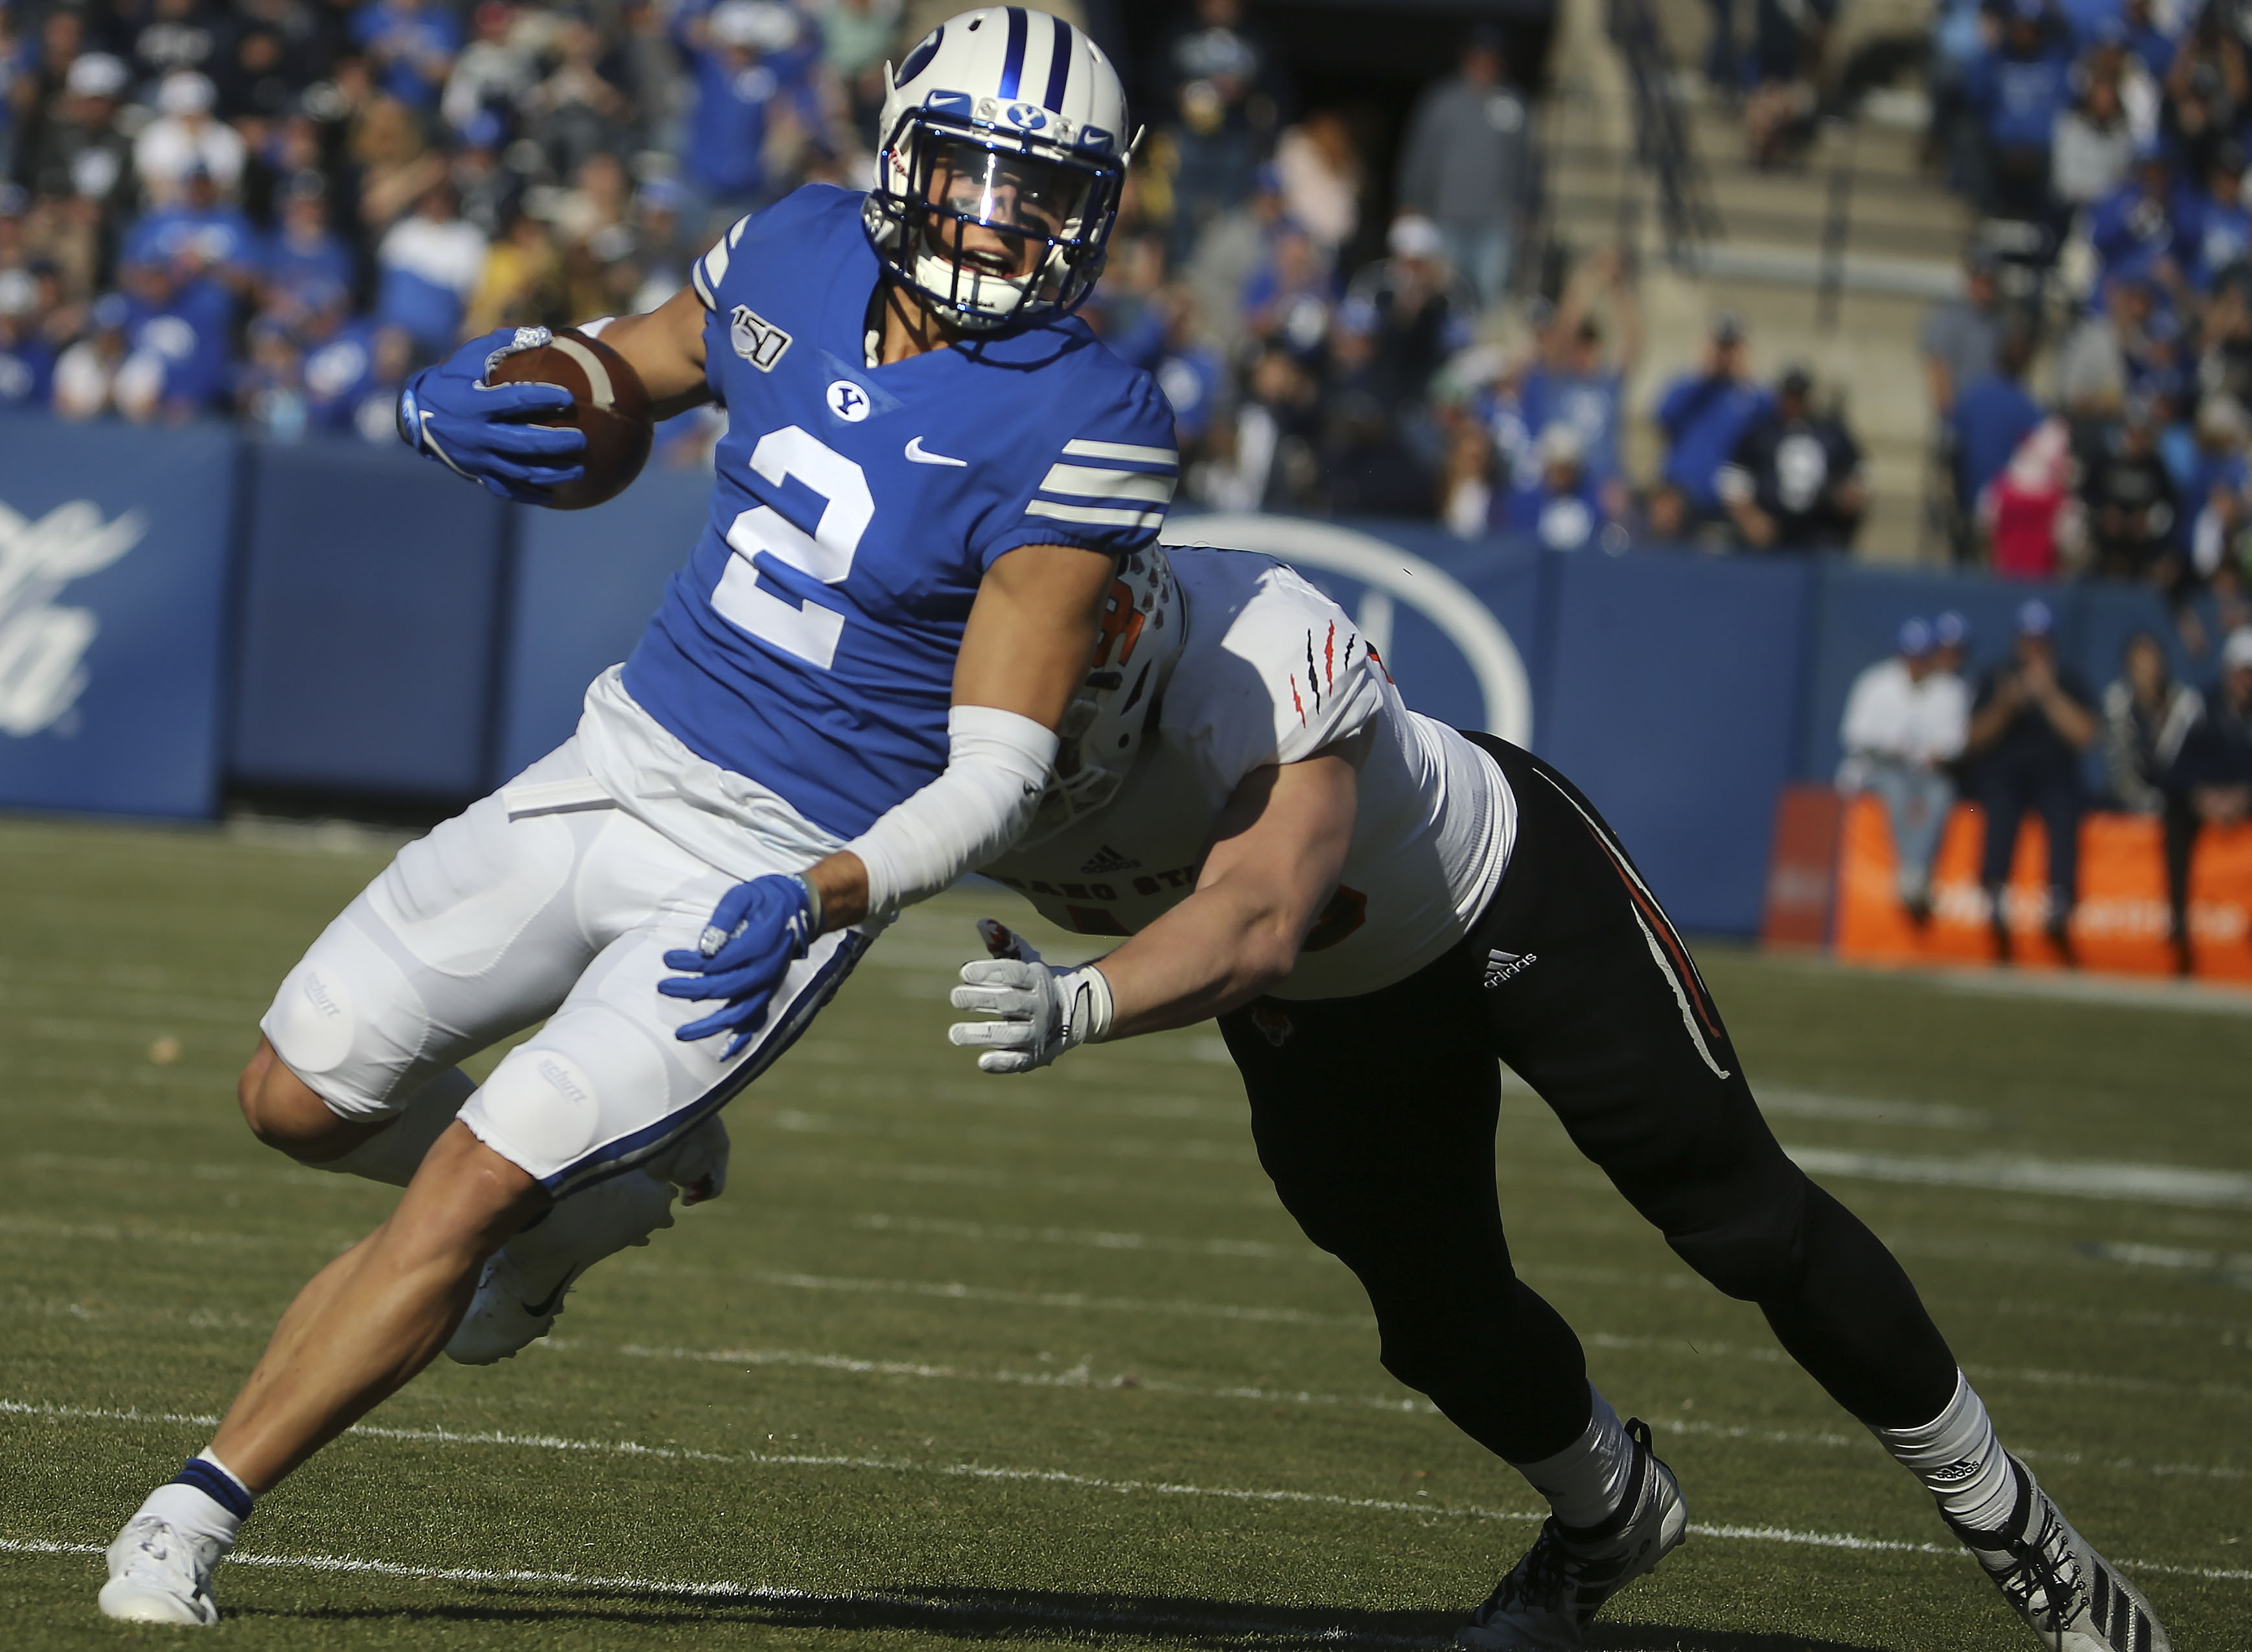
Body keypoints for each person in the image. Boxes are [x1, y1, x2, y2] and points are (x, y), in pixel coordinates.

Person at [93, 10, 1178, 1625]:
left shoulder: (1081, 414)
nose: (1003, 225)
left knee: (462, 1189)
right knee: (294, 1095)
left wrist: (821, 897)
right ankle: (603, 1189)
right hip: (618, 754)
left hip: (769, 863)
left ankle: (191, 1512)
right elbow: (633, 366)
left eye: (1047, 196)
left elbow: (997, 775)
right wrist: (489, 395)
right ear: (899, 154)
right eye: (973, 176)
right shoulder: (799, 247)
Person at [935, 542, 2168, 1652]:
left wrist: (1080, 1002)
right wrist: (728, 1078)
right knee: (1432, 1315)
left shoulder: (1250, 652)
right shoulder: (925, 732)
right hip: (1323, 1009)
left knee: (1742, 1217)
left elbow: (1257, 922)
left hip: (1498, 903)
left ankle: (2022, 1532)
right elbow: (803, 880)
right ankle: (1608, 1516)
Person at [1963, 598, 2099, 963]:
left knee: (2063, 805)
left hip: (2054, 776)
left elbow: (2086, 735)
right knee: (1999, 807)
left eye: (2041, 641)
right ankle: (1993, 893)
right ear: (2016, 641)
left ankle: (2059, 899)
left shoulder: (2068, 680)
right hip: (2003, 775)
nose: (2033, 648)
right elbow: (1971, 738)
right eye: (2028, 640)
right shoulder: (1996, 677)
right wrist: (2007, 705)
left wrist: (2049, 695)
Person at [1839, 618, 1970, 923]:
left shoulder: (1948, 689)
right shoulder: (1875, 682)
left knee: (1941, 793)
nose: (1915, 664)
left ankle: (1914, 873)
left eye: (1921, 657)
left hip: (1926, 774)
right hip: (1876, 768)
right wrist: (1892, 747)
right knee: (1895, 790)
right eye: (1910, 656)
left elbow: (1955, 743)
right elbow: (1854, 735)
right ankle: (1912, 873)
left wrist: (1933, 754)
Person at [1394, 23, 1533, 310]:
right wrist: (1411, 201)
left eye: (1491, 56)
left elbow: (1526, 161)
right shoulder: (1442, 100)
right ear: (1467, 57)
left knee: (1491, 292)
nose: (1484, 62)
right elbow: (1421, 154)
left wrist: (1524, 206)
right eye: (1478, 55)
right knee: (1445, 292)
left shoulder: (1513, 103)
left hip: (1495, 220)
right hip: (1446, 216)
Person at [2102, 629, 2203, 972]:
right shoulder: (2118, 702)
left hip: (2174, 802)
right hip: (2133, 800)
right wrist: (2145, 804)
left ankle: (2178, 924)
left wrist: (2160, 726)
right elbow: (2120, 770)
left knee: (2180, 818)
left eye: (2151, 663)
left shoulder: (2184, 705)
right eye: (2138, 665)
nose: (2146, 672)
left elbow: (2183, 767)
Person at [2165, 627, 2252, 973]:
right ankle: (2179, 926)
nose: (2246, 681)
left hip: (2242, 801)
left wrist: (2243, 796)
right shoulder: (2196, 704)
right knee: (2174, 821)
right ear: (2227, 670)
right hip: (2198, 801)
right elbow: (2169, 766)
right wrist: (2203, 797)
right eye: (2242, 672)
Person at [1715, 365, 1866, 550]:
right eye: (1789, 395)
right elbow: (1733, 479)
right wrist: (1750, 518)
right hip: (1771, 533)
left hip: (1820, 531)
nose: (1794, 402)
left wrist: (1850, 493)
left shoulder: (1830, 433)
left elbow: (1857, 470)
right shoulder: (1761, 433)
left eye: (1799, 396)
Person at [1649, 311, 1769, 538]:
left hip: (1728, 506)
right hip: (1681, 503)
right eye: (1721, 346)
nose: (1724, 354)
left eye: (1730, 347)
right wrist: (1704, 372)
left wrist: (1745, 374)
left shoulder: (1749, 396)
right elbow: (1663, 417)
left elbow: (1769, 421)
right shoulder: (1688, 387)